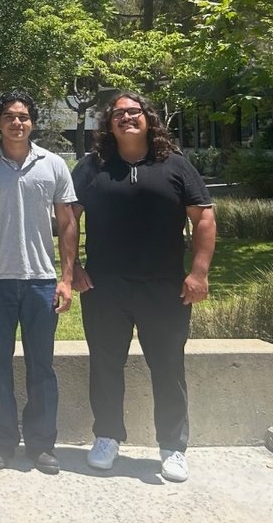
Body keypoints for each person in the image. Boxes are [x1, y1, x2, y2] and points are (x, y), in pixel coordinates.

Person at [72, 92, 215, 483]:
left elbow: (203, 218)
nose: (126, 118)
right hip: (105, 287)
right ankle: (107, 437)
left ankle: (172, 447)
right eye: (118, 114)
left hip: (165, 288)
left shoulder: (176, 166)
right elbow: (67, 218)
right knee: (105, 366)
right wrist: (74, 268)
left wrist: (198, 273)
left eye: (133, 112)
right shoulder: (92, 167)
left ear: (148, 119)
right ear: (109, 124)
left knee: (168, 367)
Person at [0, 91, 78, 475]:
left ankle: (42, 445)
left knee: (42, 366)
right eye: (9, 116)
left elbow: (68, 222)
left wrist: (67, 278)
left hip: (42, 282)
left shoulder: (54, 165)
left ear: (33, 122)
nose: (17, 123)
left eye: (24, 117)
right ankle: (3, 441)